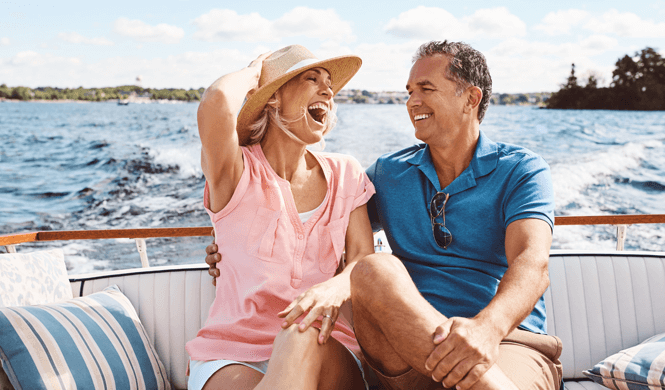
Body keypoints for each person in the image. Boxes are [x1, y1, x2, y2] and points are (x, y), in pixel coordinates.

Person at [207, 41, 562, 390]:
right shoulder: (388, 175)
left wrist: (486, 329)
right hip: (404, 353)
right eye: (409, 91)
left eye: (426, 89)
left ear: (471, 98)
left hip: (505, 341)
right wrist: (233, 243)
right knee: (376, 268)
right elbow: (315, 226)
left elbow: (532, 264)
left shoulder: (522, 170)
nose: (412, 102)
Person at [188, 44, 374, 390]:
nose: (327, 90)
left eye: (329, 83)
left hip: (325, 346)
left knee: (300, 333)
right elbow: (215, 103)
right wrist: (254, 72)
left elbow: (364, 260)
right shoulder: (236, 172)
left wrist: (336, 286)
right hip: (232, 352)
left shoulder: (347, 172)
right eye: (311, 78)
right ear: (273, 99)